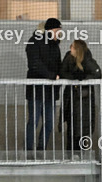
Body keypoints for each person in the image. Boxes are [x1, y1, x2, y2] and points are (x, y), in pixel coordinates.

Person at [25, 18, 62, 151]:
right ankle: (29, 150)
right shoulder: (34, 41)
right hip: (36, 90)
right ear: (49, 30)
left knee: (49, 123)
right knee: (33, 122)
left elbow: (58, 64)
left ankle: (41, 149)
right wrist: (52, 76)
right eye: (57, 30)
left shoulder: (55, 45)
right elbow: (34, 64)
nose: (58, 33)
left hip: (50, 91)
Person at [60, 39, 101, 152]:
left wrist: (84, 78)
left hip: (84, 100)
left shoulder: (87, 59)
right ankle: (70, 153)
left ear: (78, 49)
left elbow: (97, 73)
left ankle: (82, 153)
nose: (70, 48)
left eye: (72, 46)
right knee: (71, 126)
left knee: (83, 127)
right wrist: (74, 77)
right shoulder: (68, 57)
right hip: (71, 98)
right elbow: (62, 72)